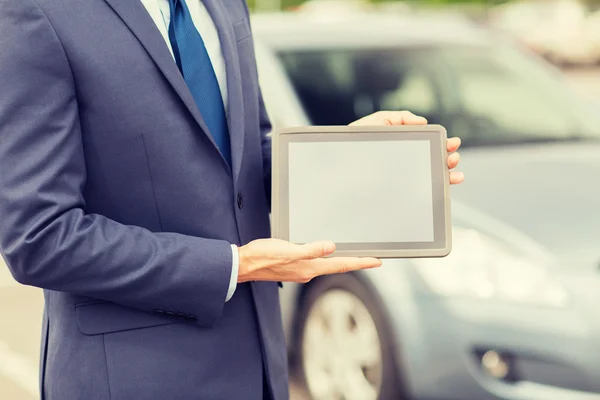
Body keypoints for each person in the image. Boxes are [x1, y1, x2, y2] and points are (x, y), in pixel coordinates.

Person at [0, 1, 463, 399]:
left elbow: (245, 153)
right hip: (136, 377)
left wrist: (343, 156)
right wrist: (234, 266)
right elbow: (40, 237)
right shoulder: (35, 12)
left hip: (259, 367)